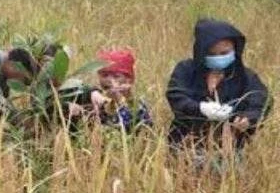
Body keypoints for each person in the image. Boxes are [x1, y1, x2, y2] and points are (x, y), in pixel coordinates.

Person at [166, 19, 270, 156]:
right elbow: (175, 96)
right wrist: (201, 108)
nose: (219, 58)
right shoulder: (186, 70)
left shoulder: (244, 76)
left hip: (230, 151)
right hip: (185, 147)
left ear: (235, 49)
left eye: (224, 53)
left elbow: (261, 100)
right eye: (212, 54)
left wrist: (248, 118)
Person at [78, 47, 152, 133]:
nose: (109, 80)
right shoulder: (96, 97)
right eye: (105, 75)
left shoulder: (137, 104)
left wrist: (120, 102)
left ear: (129, 80)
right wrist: (92, 93)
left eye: (116, 76)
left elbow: (133, 128)